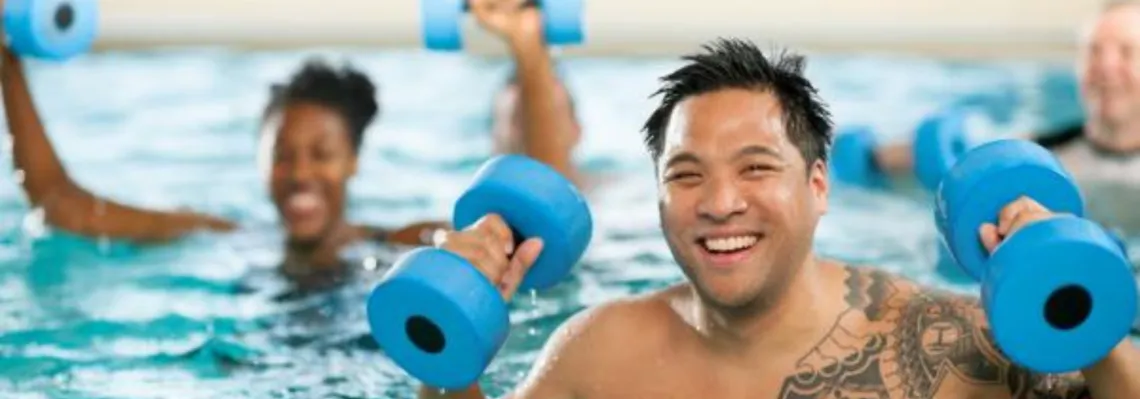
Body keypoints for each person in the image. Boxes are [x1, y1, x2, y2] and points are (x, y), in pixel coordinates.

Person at [418, 38, 1140, 399]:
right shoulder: (596, 358)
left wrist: (1081, 308)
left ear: (819, 185)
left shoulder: (945, 347)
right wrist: (455, 334)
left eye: (756, 168)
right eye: (686, 174)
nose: (720, 202)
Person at [2, 48, 446, 277]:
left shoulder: (401, 246)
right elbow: (59, 203)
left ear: (353, 161)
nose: (300, 174)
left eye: (322, 155)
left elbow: (505, 238)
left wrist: (521, 47)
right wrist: (7, 61)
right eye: (281, 156)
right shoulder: (234, 240)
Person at [866, 0, 1140, 186]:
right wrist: (872, 157)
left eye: (1126, 52)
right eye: (1094, 52)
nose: (1106, 67)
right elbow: (958, 157)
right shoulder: (1041, 153)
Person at [473, 0, 584, 185]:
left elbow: (547, 184)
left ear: (577, 131)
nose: (529, 131)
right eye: (519, 120)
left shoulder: (622, 197)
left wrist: (529, 48)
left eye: (549, 117)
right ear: (493, 137)